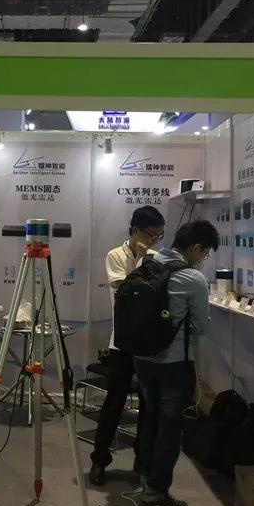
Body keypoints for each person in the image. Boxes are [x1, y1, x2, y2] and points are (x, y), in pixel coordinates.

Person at [135, 219, 218, 506]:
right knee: (170, 429)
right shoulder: (193, 278)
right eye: (204, 253)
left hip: (142, 359)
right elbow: (201, 327)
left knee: (150, 419)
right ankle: (155, 493)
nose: (203, 258)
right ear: (195, 248)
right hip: (173, 363)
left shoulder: (145, 264)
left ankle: (145, 479)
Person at [89, 206, 165, 486]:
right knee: (114, 402)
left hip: (148, 343)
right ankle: (99, 460)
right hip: (121, 341)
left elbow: (155, 293)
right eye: (150, 234)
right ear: (134, 230)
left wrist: (148, 261)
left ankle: (142, 462)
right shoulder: (115, 256)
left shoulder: (156, 258)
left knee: (148, 404)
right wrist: (145, 263)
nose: (154, 240)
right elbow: (127, 291)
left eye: (159, 235)